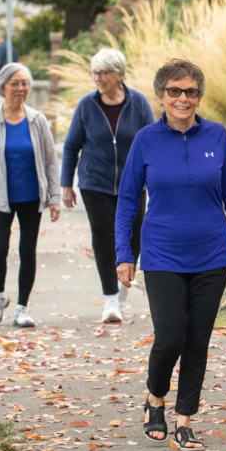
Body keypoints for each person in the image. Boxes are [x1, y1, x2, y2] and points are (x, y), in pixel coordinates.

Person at [115, 59, 226, 451]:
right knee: (171, 336)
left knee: (197, 340)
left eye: (190, 91)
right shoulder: (146, 140)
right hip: (162, 256)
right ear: (161, 95)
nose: (183, 98)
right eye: (174, 91)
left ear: (199, 96)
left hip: (211, 255)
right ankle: (155, 396)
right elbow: (128, 201)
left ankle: (185, 420)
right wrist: (124, 253)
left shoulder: (217, 136)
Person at [61, 49, 155, 323]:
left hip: (133, 184)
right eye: (95, 73)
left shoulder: (138, 103)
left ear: (119, 74)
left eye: (103, 73)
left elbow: (152, 142)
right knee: (104, 240)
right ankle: (110, 299)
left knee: (133, 237)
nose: (98, 78)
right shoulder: (86, 106)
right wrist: (66, 184)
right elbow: (71, 146)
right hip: (95, 184)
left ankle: (122, 291)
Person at [0, 63, 61, 327]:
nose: (21, 88)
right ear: (3, 87)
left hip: (31, 197)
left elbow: (50, 161)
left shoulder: (37, 121)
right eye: (16, 83)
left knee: (27, 251)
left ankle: (22, 307)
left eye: (25, 83)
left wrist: (54, 197)